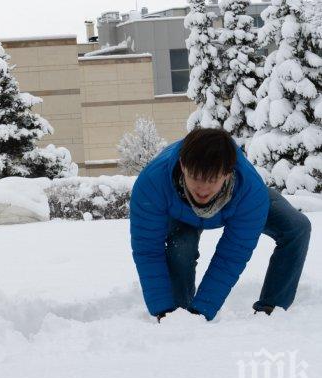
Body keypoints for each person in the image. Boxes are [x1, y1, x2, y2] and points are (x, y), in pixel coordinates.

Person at [130, 128, 311, 322]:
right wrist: (163, 309)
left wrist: (203, 310)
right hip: (177, 209)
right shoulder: (152, 183)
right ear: (183, 165)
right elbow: (148, 249)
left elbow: (231, 255)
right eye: (196, 177)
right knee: (181, 247)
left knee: (297, 227)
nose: (203, 189)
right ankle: (178, 311)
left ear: (227, 172)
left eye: (212, 179)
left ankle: (271, 309)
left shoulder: (250, 192)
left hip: (238, 201)